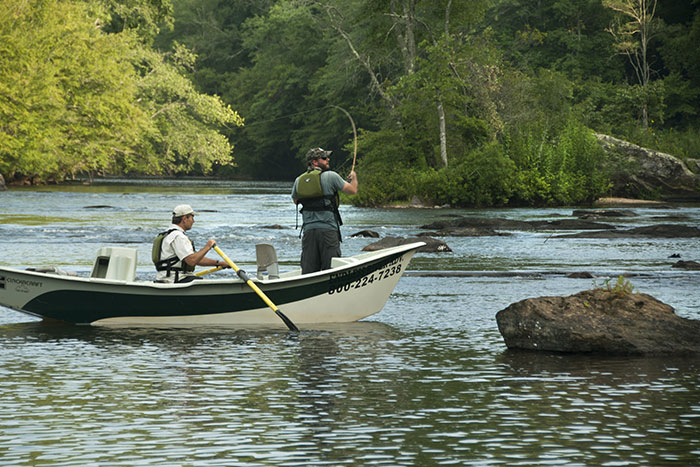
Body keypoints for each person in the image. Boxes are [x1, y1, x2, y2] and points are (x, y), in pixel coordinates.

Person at [292, 147, 358, 274]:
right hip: (328, 230)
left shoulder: (298, 180)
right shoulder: (331, 176)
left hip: (308, 231)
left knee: (309, 271)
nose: (328, 159)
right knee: (331, 270)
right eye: (324, 158)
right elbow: (352, 190)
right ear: (315, 162)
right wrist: (354, 178)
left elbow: (295, 200)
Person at [153, 204, 228, 283]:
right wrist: (208, 247)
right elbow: (191, 261)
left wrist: (220, 263)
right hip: (176, 279)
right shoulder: (179, 236)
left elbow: (196, 259)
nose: (193, 221)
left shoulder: (167, 234)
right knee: (208, 283)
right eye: (192, 217)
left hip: (165, 278)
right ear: (185, 218)